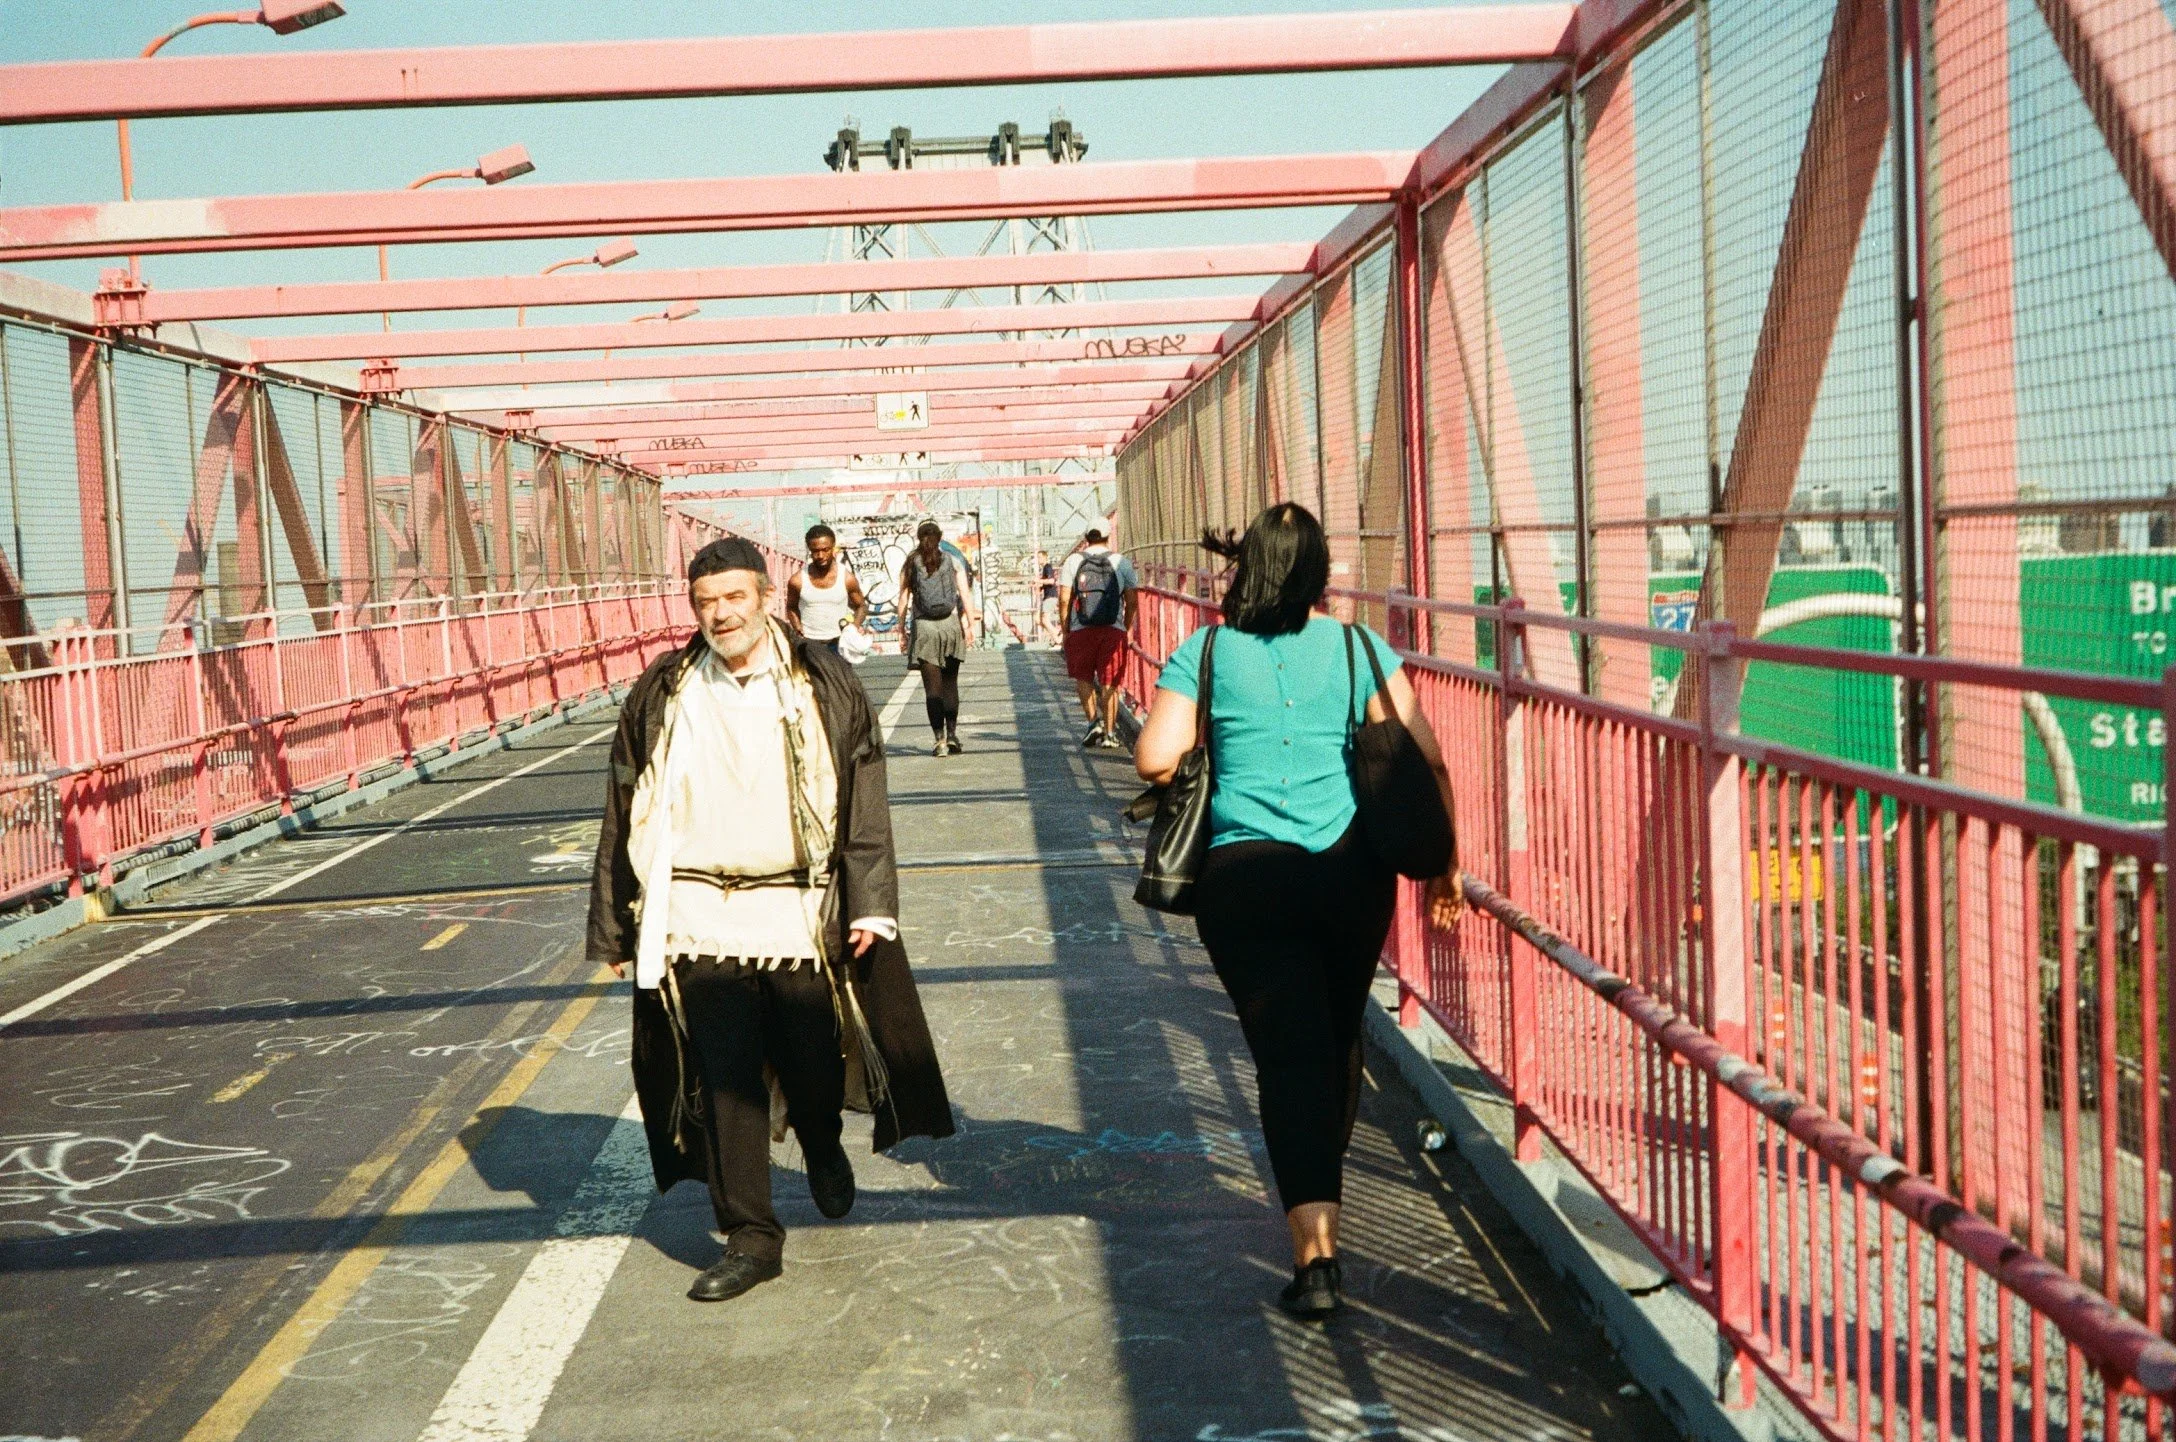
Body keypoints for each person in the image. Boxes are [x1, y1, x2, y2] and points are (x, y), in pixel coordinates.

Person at [587, 537, 954, 1303]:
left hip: (798, 911)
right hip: (696, 912)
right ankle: (752, 1236)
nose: (721, 614)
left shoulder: (823, 680)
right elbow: (624, 800)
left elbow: (864, 792)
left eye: (733, 598)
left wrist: (872, 902)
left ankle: (821, 1140)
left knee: (811, 1063)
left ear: (762, 596)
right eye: (705, 603)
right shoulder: (665, 689)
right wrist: (616, 924)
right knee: (725, 1079)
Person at [1132, 503, 1462, 1321]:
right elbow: (1424, 755)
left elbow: (1155, 756)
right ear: (1318, 571)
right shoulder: (1359, 648)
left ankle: (1316, 1262)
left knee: (1289, 1060)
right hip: (1351, 876)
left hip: (1243, 881)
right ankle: (1321, 1175)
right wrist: (1445, 865)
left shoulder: (1206, 651)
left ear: (1248, 565)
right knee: (1337, 1036)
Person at [898, 520, 977, 758]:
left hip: (924, 629)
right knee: (950, 683)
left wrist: (901, 630)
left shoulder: (911, 563)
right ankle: (952, 735)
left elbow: (903, 599)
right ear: (940, 537)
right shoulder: (952, 561)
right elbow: (965, 594)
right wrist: (970, 624)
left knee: (932, 689)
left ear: (918, 538)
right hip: (950, 625)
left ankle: (939, 740)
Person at [1059, 528, 1137, 750]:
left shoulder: (1073, 561)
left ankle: (1093, 722)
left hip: (1081, 629)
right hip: (1113, 630)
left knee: (1083, 677)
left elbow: (1064, 600)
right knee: (1110, 682)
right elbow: (1132, 601)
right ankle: (1110, 733)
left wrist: (1066, 629)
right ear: (1107, 537)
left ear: (1086, 538)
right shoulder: (1121, 562)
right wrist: (1125, 627)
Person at [785, 523, 867, 653]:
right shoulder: (797, 580)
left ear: (833, 547)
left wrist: (853, 628)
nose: (821, 555)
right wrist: (797, 626)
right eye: (815, 551)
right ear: (810, 550)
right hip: (809, 644)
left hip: (839, 643)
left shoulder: (847, 578)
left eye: (825, 549)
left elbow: (861, 606)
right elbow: (791, 607)